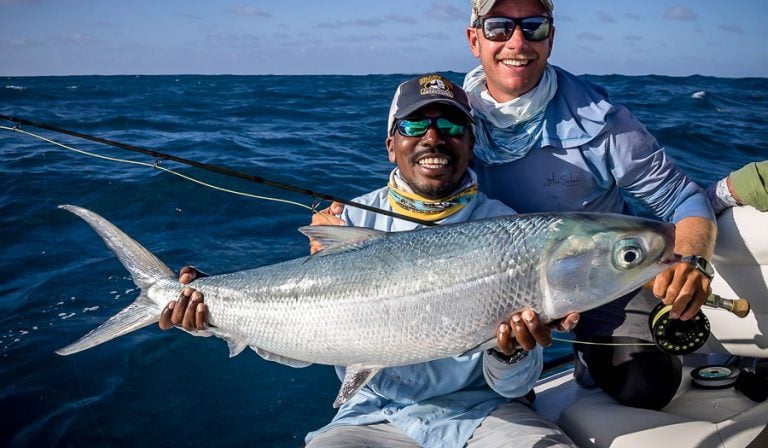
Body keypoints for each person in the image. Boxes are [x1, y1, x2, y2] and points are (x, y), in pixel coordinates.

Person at [160, 73, 579, 448]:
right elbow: (302, 341)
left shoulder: (511, 229)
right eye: (415, 125)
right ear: (391, 145)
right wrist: (213, 315)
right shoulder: (348, 218)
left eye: (452, 126)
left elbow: (514, 387)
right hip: (372, 414)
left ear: (470, 144)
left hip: (483, 414)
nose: (434, 139)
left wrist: (511, 355)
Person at [460, 0, 717, 410]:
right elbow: (413, 190)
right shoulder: (449, 118)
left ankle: (584, 349)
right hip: (493, 286)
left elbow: (683, 198)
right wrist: (340, 219)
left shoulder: (602, 120)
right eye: (500, 27)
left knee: (647, 385)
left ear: (551, 38)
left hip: (598, 278)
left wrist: (693, 261)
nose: (517, 43)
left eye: (533, 27)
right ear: (475, 39)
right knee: (477, 389)